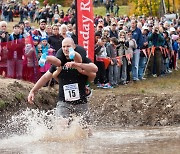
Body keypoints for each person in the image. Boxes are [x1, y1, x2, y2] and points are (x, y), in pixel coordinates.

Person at [28, 37, 98, 126]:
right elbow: (45, 77)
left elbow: (94, 69)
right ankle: (46, 58)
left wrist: (77, 65)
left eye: (68, 46)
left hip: (81, 102)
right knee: (61, 126)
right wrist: (33, 91)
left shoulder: (83, 60)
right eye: (64, 46)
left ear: (74, 47)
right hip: (64, 101)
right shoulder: (59, 63)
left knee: (87, 131)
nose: (66, 49)